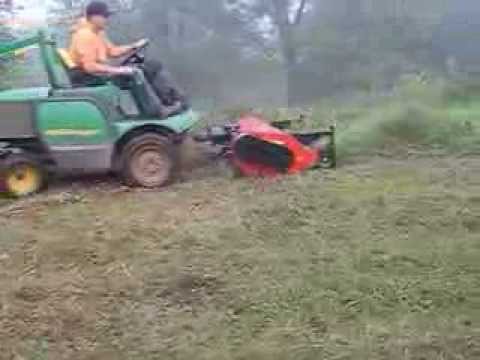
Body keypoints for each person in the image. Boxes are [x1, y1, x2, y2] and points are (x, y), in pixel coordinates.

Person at [67, 1, 185, 117]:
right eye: (105, 16)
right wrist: (120, 70)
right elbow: (90, 67)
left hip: (98, 73)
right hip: (88, 78)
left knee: (152, 66)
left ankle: (173, 101)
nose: (107, 20)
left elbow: (112, 51)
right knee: (135, 73)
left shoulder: (98, 33)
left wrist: (134, 46)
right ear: (94, 17)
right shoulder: (84, 35)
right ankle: (157, 110)